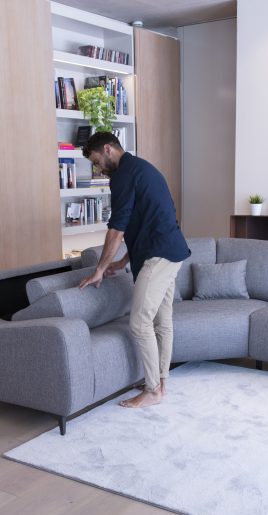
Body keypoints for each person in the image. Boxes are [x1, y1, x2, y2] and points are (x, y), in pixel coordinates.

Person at [78, 132, 191, 408]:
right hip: (171, 250)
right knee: (162, 321)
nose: (98, 169)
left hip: (159, 256)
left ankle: (153, 390)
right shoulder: (140, 169)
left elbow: (117, 229)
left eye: (96, 162)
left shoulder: (123, 176)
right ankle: (160, 383)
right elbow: (147, 223)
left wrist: (99, 269)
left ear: (108, 149)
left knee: (140, 323)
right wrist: (122, 262)